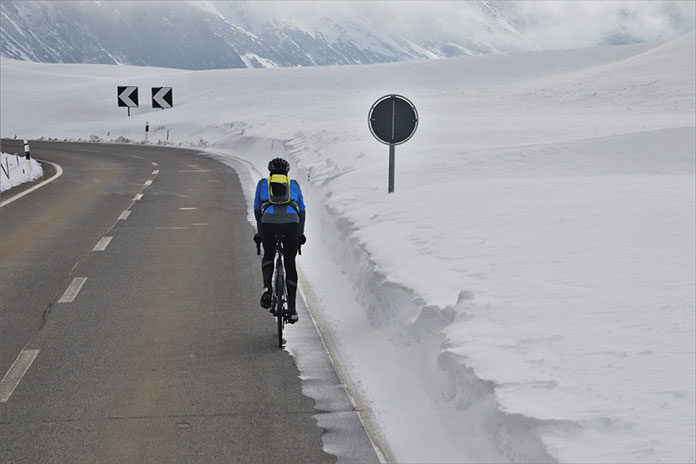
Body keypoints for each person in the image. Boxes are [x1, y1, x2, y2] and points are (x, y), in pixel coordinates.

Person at [253, 157, 306, 323]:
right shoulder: (294, 185)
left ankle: (267, 287)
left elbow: (257, 211)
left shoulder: (263, 184)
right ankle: (291, 309)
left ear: (270, 172)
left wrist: (260, 233)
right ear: (287, 172)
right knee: (290, 263)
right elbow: (302, 212)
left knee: (269, 254)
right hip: (291, 224)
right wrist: (299, 234)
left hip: (268, 223)